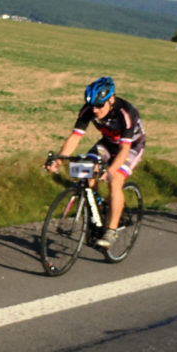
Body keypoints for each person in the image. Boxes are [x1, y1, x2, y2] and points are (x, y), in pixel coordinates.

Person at [46, 77, 146, 249]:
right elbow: (75, 137)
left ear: (111, 100)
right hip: (107, 143)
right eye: (92, 105)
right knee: (87, 172)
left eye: (99, 105)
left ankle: (111, 231)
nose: (95, 110)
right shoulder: (89, 110)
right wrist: (59, 159)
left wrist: (111, 170)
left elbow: (123, 150)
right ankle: (97, 215)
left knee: (115, 180)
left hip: (131, 147)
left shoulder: (125, 113)